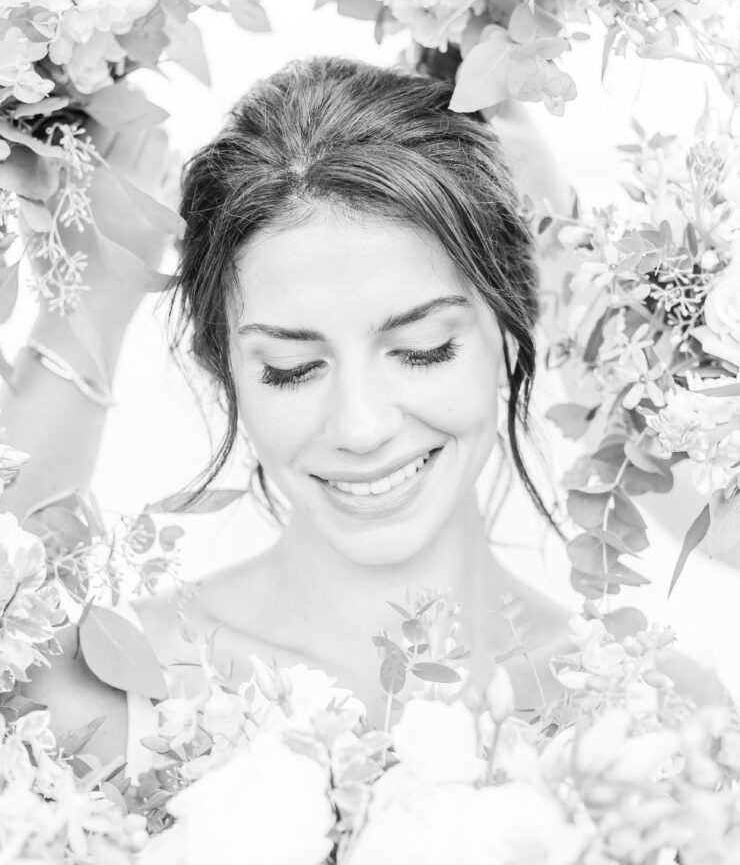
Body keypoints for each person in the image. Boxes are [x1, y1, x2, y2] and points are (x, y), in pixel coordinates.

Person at [12, 57, 721, 772]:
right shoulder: (109, 698)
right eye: (291, 370)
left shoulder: (661, 718)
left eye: (422, 350)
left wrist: (575, 271)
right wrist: (87, 311)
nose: (361, 427)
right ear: (224, 370)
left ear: (510, 329)